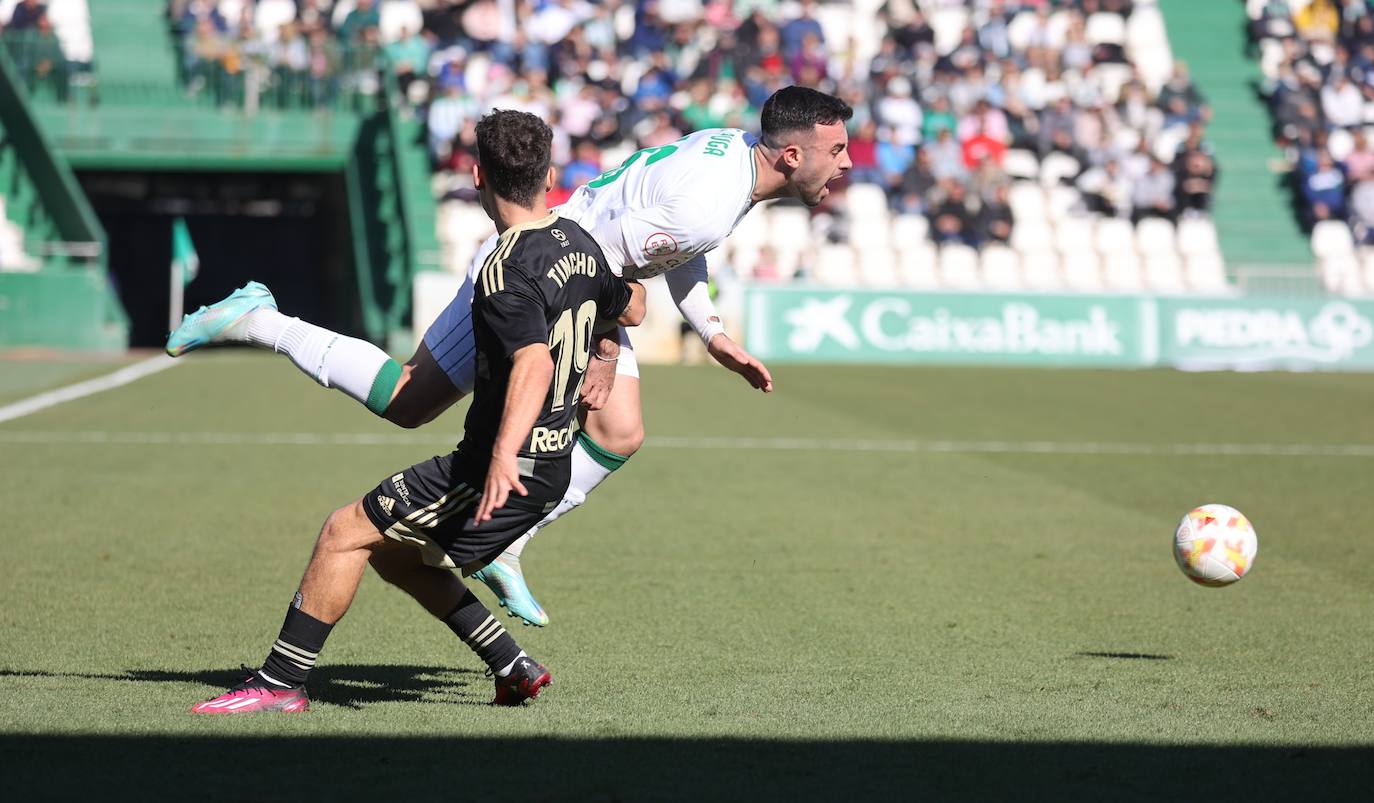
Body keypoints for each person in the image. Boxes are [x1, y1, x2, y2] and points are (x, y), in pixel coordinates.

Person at [165, 86, 853, 628]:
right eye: (839, 148)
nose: (848, 161)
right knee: (408, 399)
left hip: (574, 267)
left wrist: (713, 333)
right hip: (538, 268)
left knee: (619, 430)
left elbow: (670, 249)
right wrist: (604, 346)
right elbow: (608, 256)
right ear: (791, 155)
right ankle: (259, 318)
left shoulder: (733, 156)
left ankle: (505, 542)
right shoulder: (712, 197)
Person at [190, 110, 646, 715]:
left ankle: (278, 684)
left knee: (343, 532)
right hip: (550, 462)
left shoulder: (502, 265)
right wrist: (601, 326)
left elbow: (533, 362)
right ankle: (512, 666)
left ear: (477, 175)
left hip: (502, 468)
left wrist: (505, 453)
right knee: (399, 554)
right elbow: (634, 304)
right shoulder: (581, 245)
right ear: (550, 176)